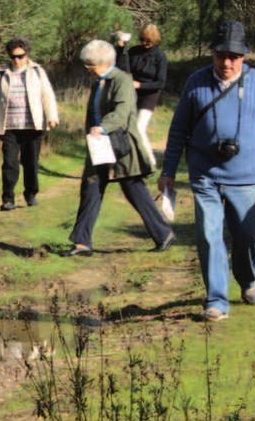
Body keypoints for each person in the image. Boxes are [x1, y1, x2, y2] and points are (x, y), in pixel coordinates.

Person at [159, 21, 255, 322]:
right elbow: (179, 128)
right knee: (209, 236)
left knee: (250, 235)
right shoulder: (196, 82)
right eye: (221, 55)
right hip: (205, 175)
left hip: (246, 176)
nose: (227, 62)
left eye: (234, 56)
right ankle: (217, 300)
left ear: (243, 57)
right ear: (213, 54)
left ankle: (247, 279)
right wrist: (168, 170)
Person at [63, 39, 173, 258]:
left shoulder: (122, 80)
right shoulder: (97, 82)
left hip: (122, 145)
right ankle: (82, 243)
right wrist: (92, 134)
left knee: (134, 190)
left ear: (104, 62)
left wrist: (103, 127)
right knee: (91, 188)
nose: (88, 70)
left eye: (90, 65)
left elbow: (122, 113)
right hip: (99, 145)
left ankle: (163, 234)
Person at [0, 37, 59, 210]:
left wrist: (52, 116)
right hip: (9, 126)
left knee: (31, 162)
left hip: (32, 125)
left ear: (27, 54)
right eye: (13, 57)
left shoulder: (37, 71)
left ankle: (31, 194)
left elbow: (47, 95)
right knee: (9, 163)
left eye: (20, 56)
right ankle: (8, 198)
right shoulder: (1, 73)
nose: (17, 60)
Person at [125, 24, 168, 168]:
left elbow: (160, 83)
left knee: (139, 127)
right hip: (132, 93)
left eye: (147, 40)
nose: (144, 42)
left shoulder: (160, 57)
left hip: (150, 94)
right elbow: (123, 67)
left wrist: (140, 85)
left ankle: (150, 161)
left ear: (154, 40)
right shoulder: (133, 51)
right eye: (142, 39)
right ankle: (132, 160)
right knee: (128, 127)